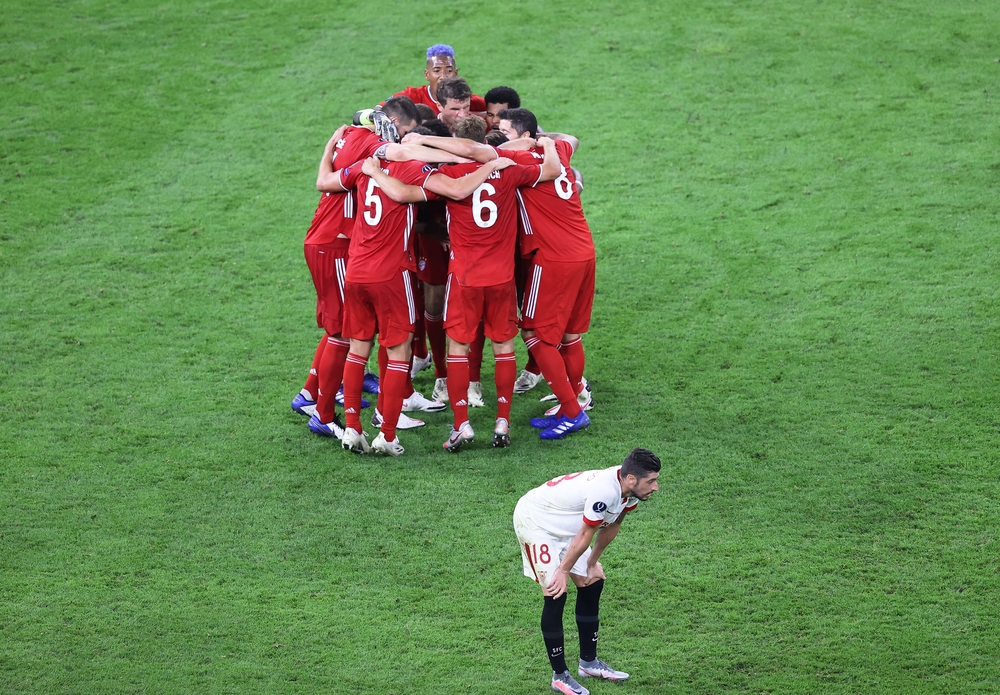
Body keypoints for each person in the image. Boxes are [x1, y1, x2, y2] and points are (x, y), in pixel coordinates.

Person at [367, 117, 559, 450]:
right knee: (504, 347)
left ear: (456, 145)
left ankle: (461, 425)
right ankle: (502, 421)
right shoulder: (510, 169)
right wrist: (548, 145)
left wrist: (380, 172)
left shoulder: (449, 176)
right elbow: (551, 172)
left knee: (458, 347)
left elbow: (404, 194)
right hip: (502, 277)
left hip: (465, 276)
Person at [319, 151, 516, 455]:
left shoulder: (363, 167)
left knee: (358, 349)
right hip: (392, 274)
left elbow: (324, 181)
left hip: (357, 270)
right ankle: (386, 434)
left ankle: (352, 428)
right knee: (400, 351)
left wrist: (335, 144)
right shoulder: (412, 170)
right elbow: (452, 190)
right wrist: (489, 162)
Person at [513, 448, 661, 695]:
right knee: (555, 592)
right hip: (536, 522)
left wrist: (592, 562)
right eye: (651, 481)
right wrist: (562, 570)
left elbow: (612, 526)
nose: (655, 487)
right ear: (632, 479)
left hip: (567, 527)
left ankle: (588, 664)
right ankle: (559, 676)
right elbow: (585, 533)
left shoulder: (631, 491)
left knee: (592, 580)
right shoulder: (604, 490)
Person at [497, 108, 595, 440]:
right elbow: (570, 138)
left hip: (553, 258)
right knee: (568, 335)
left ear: (523, 136)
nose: (500, 137)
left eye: (505, 131)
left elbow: (489, 153)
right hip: (583, 251)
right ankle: (575, 399)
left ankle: (572, 412)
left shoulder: (521, 162)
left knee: (535, 334)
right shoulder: (558, 151)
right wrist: (542, 140)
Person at [389, 44, 486, 118]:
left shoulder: (467, 101)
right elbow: (379, 109)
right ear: (427, 74)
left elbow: (496, 112)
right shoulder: (412, 96)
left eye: (449, 71)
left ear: (455, 74)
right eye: (437, 71)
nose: (443, 76)